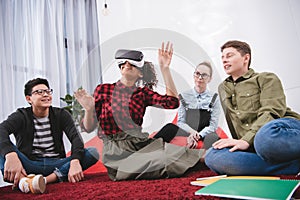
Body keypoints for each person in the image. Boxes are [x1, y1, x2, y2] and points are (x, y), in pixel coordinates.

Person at [74, 42, 204, 181]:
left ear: (140, 73)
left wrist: (165, 69)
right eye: (123, 63)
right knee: (164, 160)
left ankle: (218, 158)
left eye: (132, 64)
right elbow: (88, 128)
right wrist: (89, 109)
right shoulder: (103, 90)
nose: (127, 64)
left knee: (188, 154)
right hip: (117, 153)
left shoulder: (142, 94)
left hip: (140, 144)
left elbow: (172, 103)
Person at [205, 40, 300, 175]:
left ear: (246, 58)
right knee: (213, 155)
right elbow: (234, 123)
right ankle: (292, 166)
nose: (224, 60)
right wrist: (240, 143)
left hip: (281, 129)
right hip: (255, 142)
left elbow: (272, 111)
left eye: (229, 55)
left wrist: (246, 140)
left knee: (265, 138)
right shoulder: (222, 88)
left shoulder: (266, 78)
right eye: (222, 57)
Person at [0, 78, 99, 194]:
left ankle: (43, 181)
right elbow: (2, 130)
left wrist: (75, 161)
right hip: (29, 164)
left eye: (48, 91)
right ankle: (24, 181)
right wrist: (10, 155)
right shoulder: (21, 115)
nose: (46, 95)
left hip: (56, 164)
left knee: (93, 152)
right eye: (39, 92)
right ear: (29, 99)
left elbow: (76, 139)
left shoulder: (61, 114)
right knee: (2, 148)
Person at [153, 61, 221, 149]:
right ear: (194, 75)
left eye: (204, 75)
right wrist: (192, 132)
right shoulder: (184, 96)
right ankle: (148, 150)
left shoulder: (215, 98)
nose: (200, 78)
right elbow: (180, 122)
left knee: (213, 138)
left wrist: (198, 135)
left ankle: (207, 159)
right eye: (197, 73)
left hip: (205, 132)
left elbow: (213, 126)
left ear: (210, 79)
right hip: (188, 129)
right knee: (169, 127)